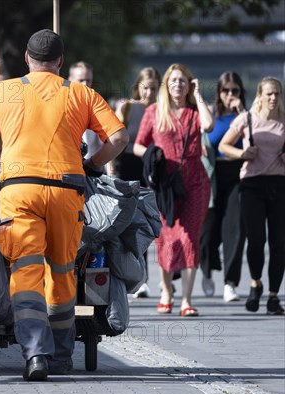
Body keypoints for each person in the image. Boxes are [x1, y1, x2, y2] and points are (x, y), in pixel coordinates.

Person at [0, 29, 128, 381]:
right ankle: (61, 356)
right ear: (61, 62)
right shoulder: (81, 92)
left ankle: (35, 354)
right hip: (66, 192)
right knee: (63, 272)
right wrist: (94, 163)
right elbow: (120, 137)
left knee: (26, 272)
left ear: (26, 59)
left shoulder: (2, 91)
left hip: (18, 192)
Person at [133, 63, 214, 317]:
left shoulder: (194, 111)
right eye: (173, 80)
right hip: (164, 183)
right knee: (166, 238)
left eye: (183, 81)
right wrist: (152, 155)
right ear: (166, 85)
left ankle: (187, 300)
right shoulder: (155, 112)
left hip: (195, 181)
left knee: (190, 237)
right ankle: (167, 291)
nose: (178, 84)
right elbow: (138, 145)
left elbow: (209, 126)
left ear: (189, 84)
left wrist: (199, 95)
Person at [218, 76, 285, 315]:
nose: (273, 98)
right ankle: (256, 283)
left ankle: (274, 297)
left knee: (279, 242)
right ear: (260, 95)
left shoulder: (283, 120)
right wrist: (242, 153)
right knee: (256, 240)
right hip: (251, 185)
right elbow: (223, 145)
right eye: (268, 93)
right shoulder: (246, 119)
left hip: (279, 184)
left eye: (277, 93)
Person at [108, 66, 161, 299]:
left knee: (152, 223)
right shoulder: (128, 108)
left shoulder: (162, 110)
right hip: (129, 165)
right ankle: (139, 278)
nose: (149, 93)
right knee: (132, 223)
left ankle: (163, 274)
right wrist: (111, 168)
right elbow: (114, 137)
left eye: (154, 88)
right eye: (146, 88)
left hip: (154, 166)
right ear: (138, 87)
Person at [199, 71, 247, 302]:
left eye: (234, 90)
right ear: (219, 92)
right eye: (226, 90)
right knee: (208, 231)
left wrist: (241, 113)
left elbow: (254, 140)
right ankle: (207, 271)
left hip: (238, 173)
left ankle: (231, 282)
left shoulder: (246, 116)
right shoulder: (212, 114)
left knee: (235, 227)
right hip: (212, 173)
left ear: (240, 93)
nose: (230, 95)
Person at [68, 61, 104, 161]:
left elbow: (106, 143)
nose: (85, 84)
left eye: (88, 81)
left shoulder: (98, 107)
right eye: (81, 80)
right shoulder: (60, 106)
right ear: (70, 80)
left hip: (89, 170)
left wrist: (110, 173)